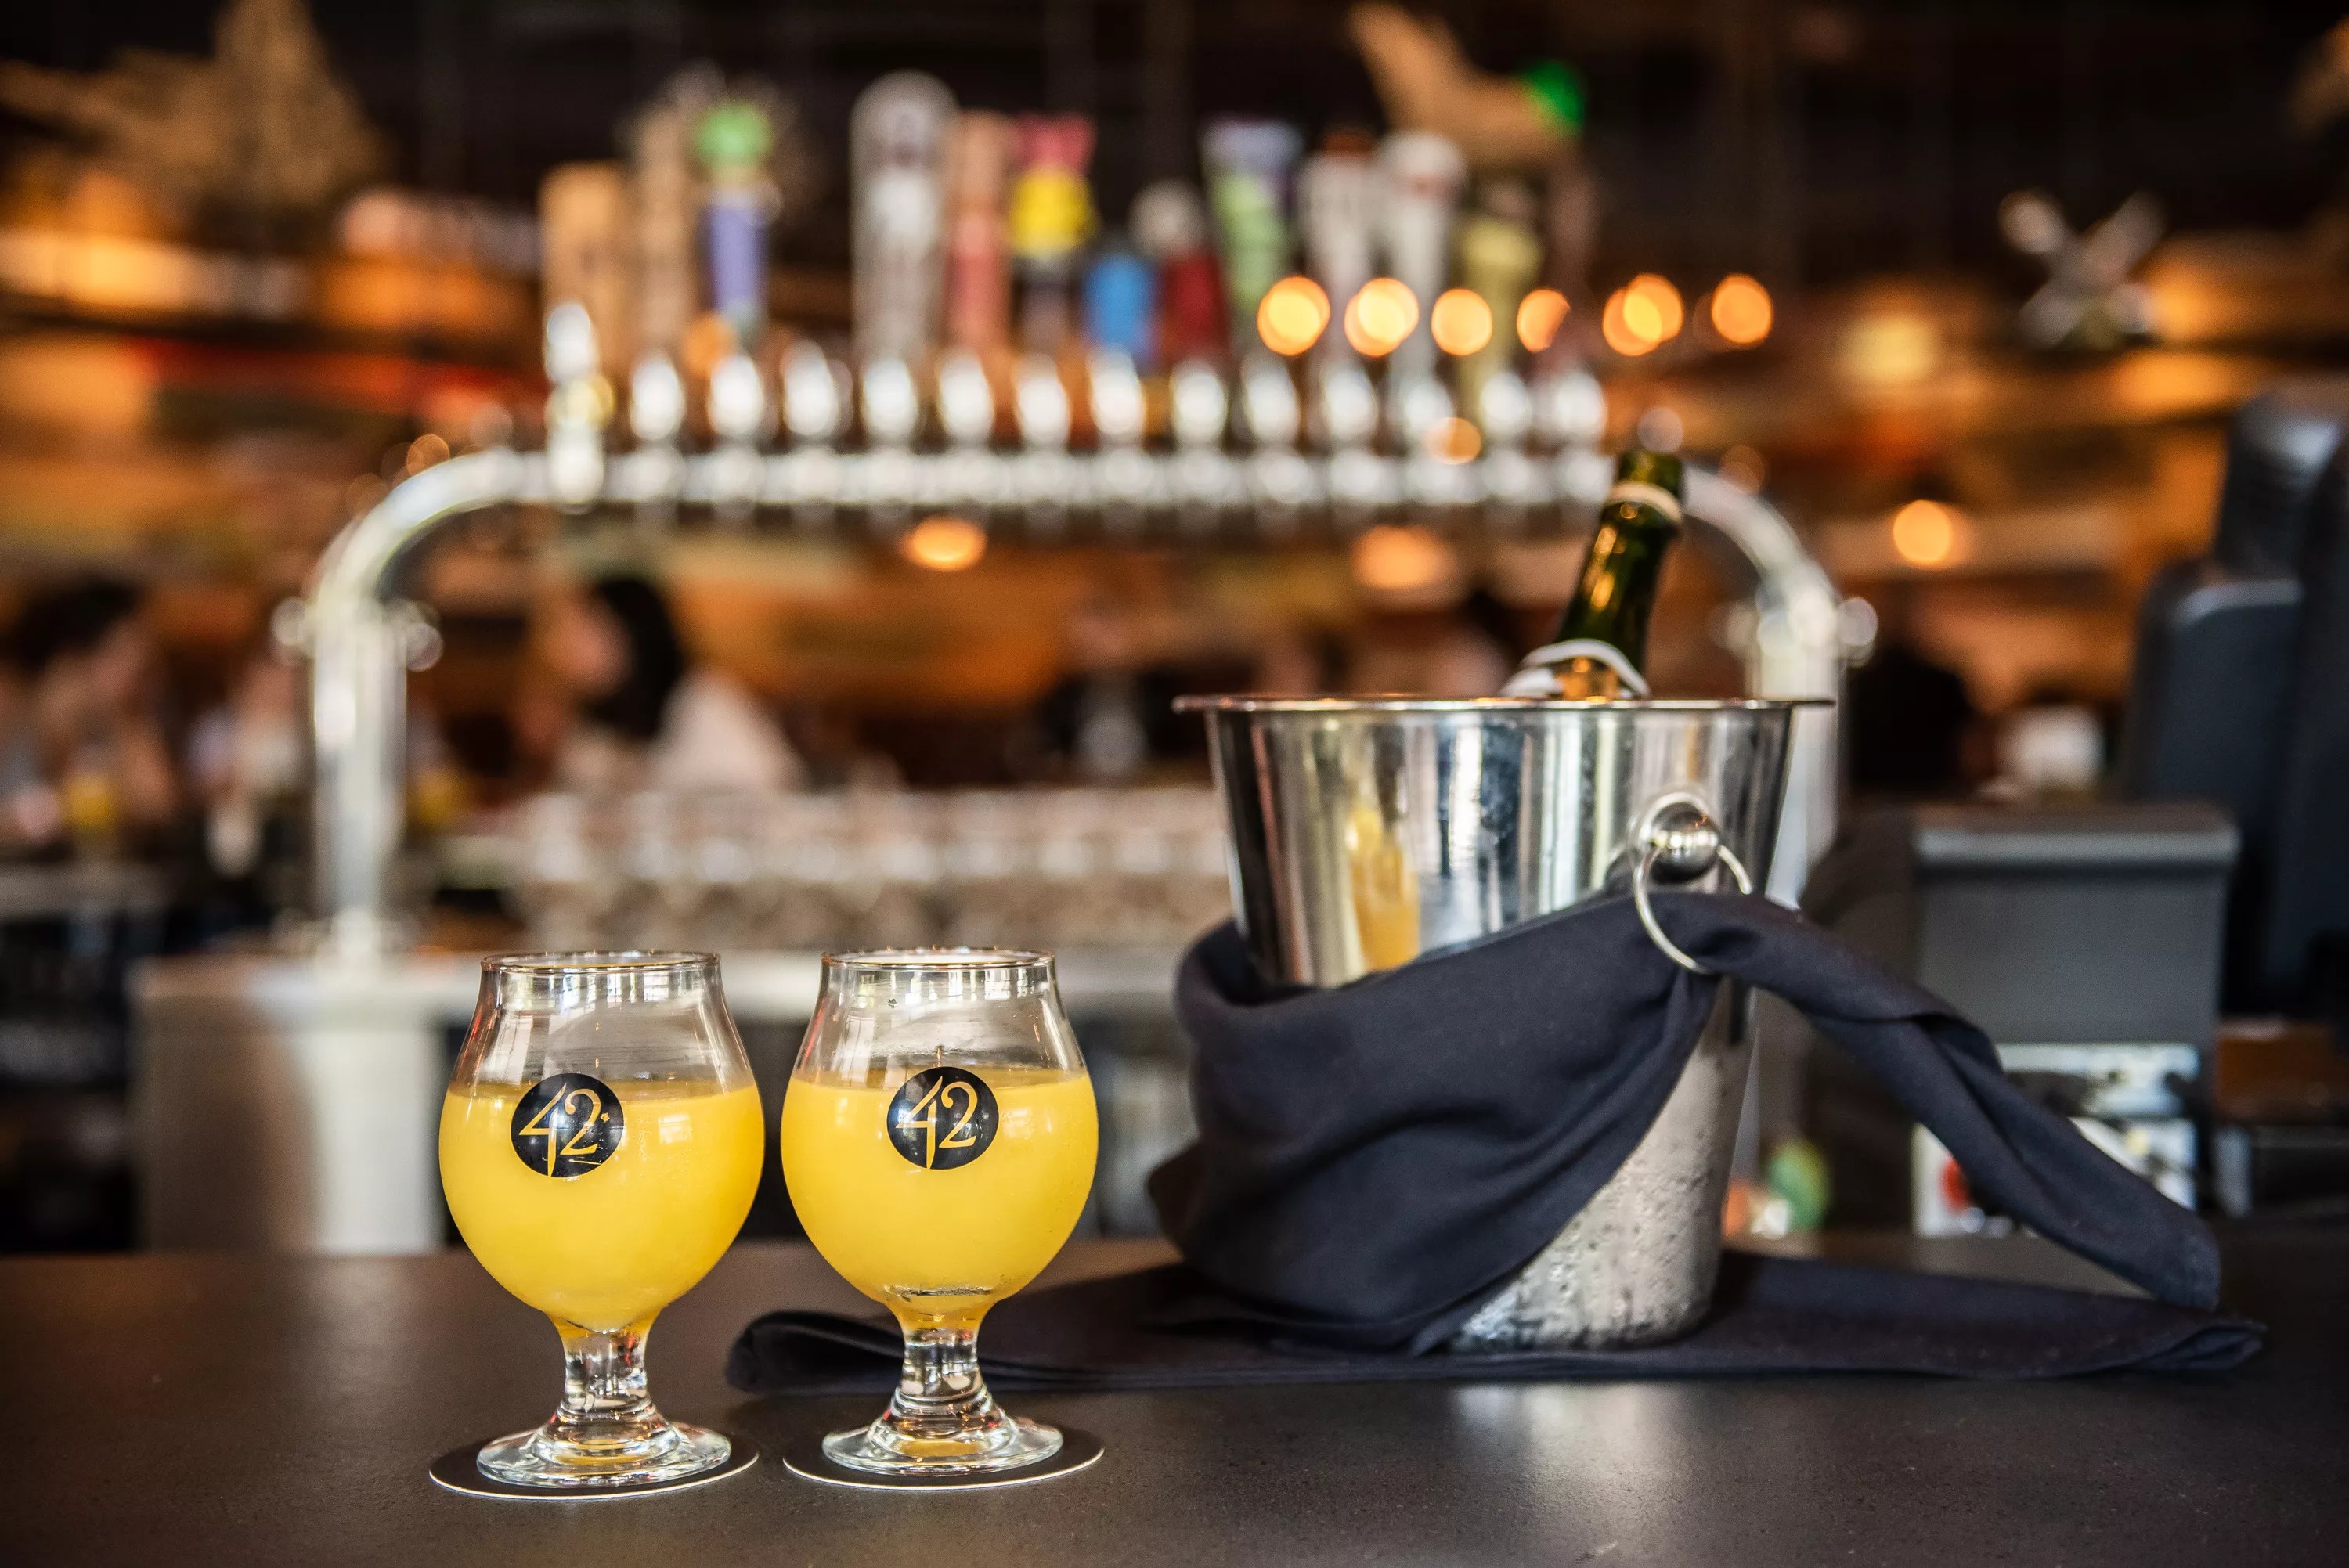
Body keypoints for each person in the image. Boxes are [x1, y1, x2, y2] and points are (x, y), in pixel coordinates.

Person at [518, 573, 801, 795]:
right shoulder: (591, 723)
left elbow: (770, 795)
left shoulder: (703, 703)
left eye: (584, 631)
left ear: (632, 634)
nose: (564, 648)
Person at [2, 579, 178, 856]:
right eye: (127, 655)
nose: (141, 675)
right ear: (76, 659)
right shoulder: (11, 704)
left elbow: (160, 807)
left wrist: (130, 723)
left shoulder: (115, 723)